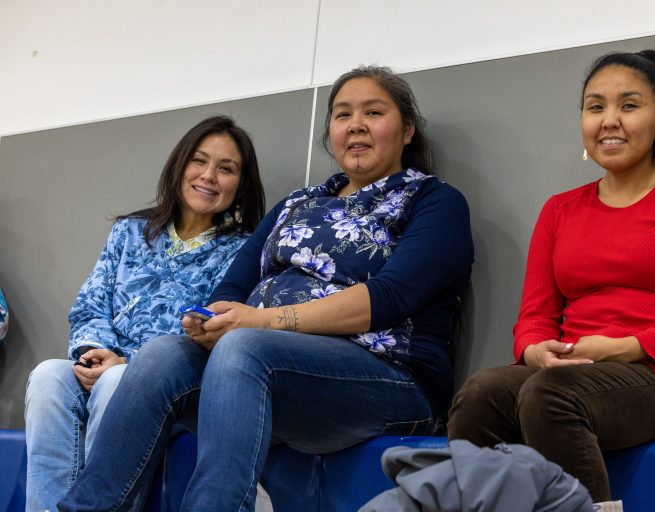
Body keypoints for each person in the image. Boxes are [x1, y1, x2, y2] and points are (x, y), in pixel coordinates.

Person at [58, 65, 474, 511]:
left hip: (389, 380)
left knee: (244, 348)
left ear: (407, 130)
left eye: (373, 112)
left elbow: (390, 297)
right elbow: (232, 288)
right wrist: (211, 322)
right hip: (266, 367)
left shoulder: (434, 201)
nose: (356, 125)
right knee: (162, 355)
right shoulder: (298, 203)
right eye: (342, 114)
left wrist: (261, 322)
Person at [448, 49, 655, 504]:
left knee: (550, 396)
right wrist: (534, 351)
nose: (610, 120)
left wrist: (623, 348)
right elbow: (535, 317)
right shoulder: (560, 210)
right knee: (480, 395)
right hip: (573, 373)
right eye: (595, 107)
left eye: (628, 105)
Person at [24, 115, 265, 512]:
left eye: (226, 169)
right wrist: (94, 352)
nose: (209, 176)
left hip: (170, 388)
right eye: (199, 161)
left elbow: (211, 334)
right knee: (48, 375)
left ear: (241, 185)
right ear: (180, 165)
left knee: (117, 381)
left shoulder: (244, 251)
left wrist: (126, 363)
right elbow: (90, 304)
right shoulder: (130, 231)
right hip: (103, 363)